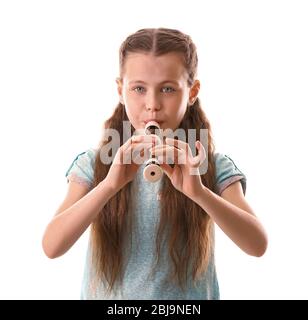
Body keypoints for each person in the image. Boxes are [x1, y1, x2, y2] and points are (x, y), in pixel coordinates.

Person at [42, 28, 268, 300]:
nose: (152, 105)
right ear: (120, 90)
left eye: (168, 89)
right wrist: (109, 185)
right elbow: (52, 246)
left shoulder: (210, 165)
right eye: (138, 88)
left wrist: (200, 194)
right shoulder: (94, 164)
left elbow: (257, 245)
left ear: (192, 92)